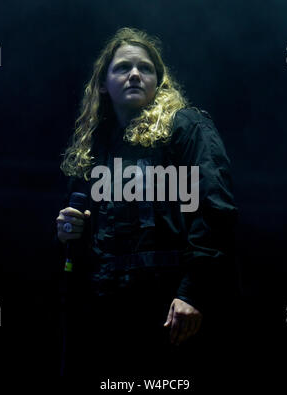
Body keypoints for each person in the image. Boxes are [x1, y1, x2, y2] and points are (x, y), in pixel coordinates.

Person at [56, 27, 238, 378]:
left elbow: (215, 210)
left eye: (146, 68)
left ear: (159, 81)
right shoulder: (93, 148)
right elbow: (78, 236)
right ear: (103, 84)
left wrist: (193, 292)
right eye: (123, 67)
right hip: (107, 314)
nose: (135, 73)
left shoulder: (186, 128)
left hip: (171, 310)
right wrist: (67, 231)